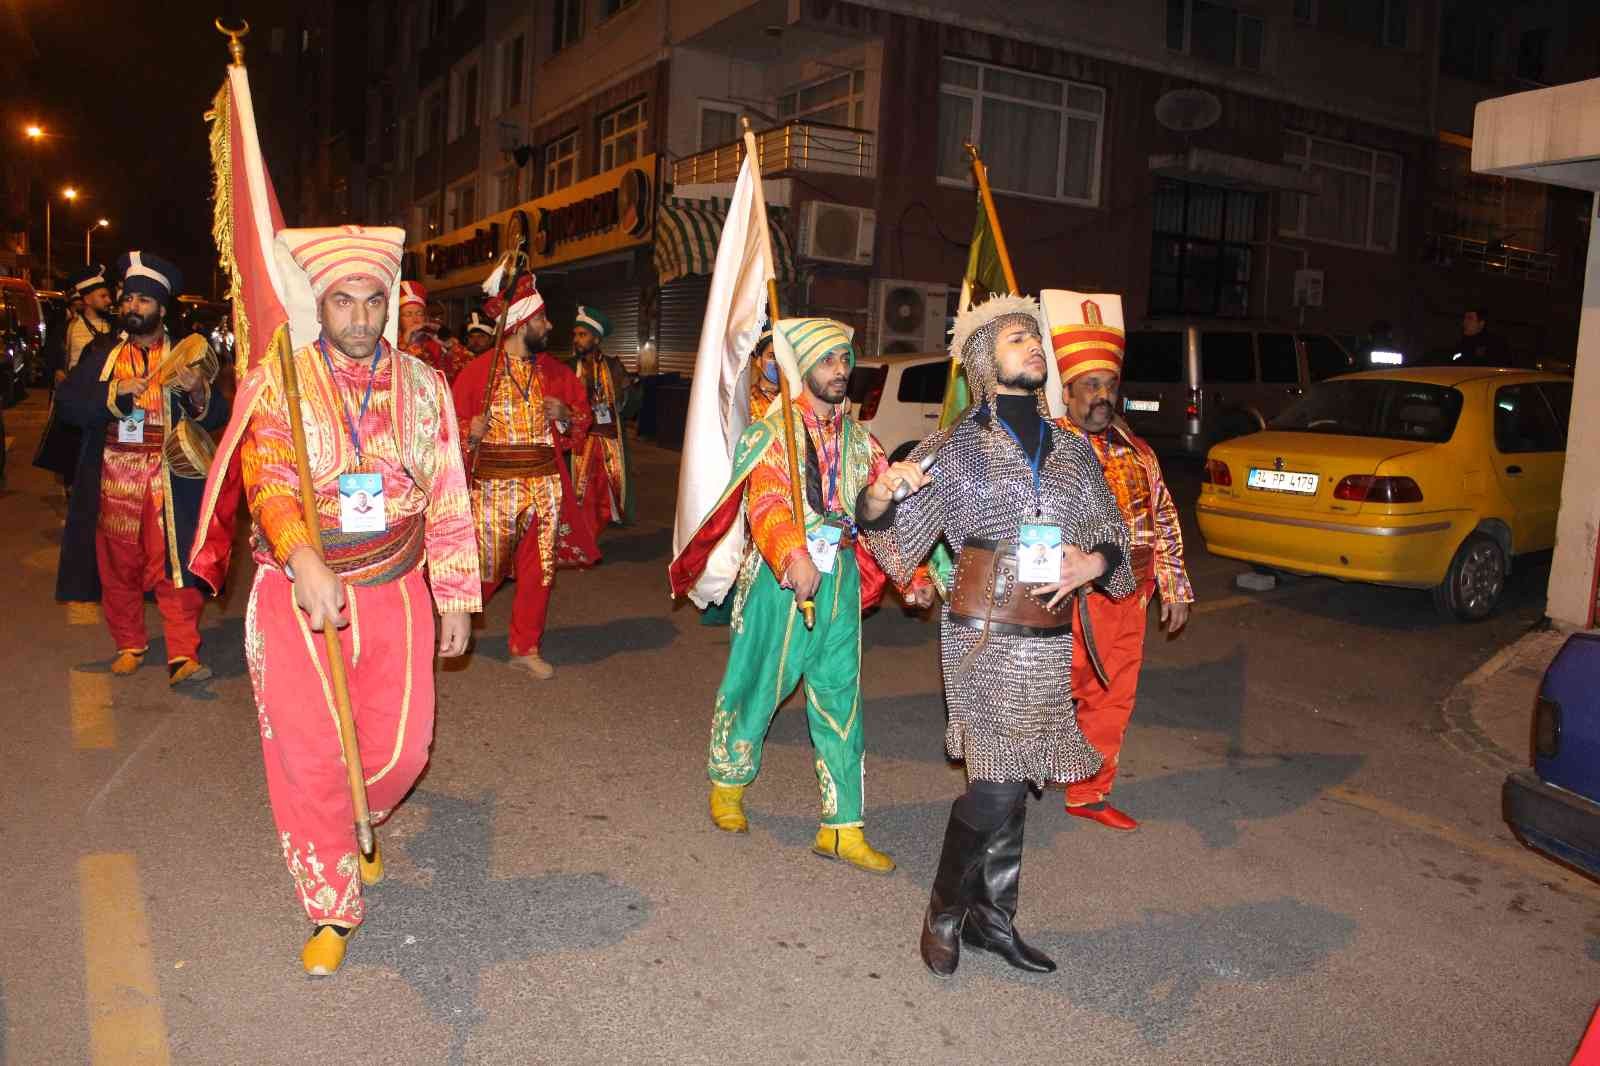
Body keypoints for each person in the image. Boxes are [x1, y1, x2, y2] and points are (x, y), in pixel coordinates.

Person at [187, 224, 480, 976]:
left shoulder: (424, 384)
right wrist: (302, 556)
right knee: (310, 758)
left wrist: (454, 595)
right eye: (342, 300)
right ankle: (329, 902)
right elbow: (271, 477)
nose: (358, 315)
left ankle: (362, 816)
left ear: (389, 304)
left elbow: (447, 488)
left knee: (404, 750)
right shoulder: (281, 379)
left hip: (396, 583)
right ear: (320, 304)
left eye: (372, 300)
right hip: (299, 591)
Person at [856, 293, 1134, 977]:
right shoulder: (953, 448)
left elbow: (1117, 543)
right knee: (995, 789)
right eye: (1015, 339)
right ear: (984, 360)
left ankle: (993, 919)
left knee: (1014, 781)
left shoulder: (1073, 449)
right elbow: (889, 535)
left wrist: (1092, 561)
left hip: (1046, 638)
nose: (1032, 346)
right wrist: (880, 495)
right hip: (981, 636)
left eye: (1034, 338)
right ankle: (945, 913)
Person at [675, 318, 929, 874]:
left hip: (837, 580)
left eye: (845, 359)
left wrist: (914, 575)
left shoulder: (865, 443)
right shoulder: (772, 434)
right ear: (804, 368)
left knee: (841, 702)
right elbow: (766, 501)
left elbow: (886, 517)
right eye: (828, 360)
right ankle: (728, 784)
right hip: (778, 582)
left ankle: (843, 827)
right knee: (757, 686)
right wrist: (791, 554)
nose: (840, 370)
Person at [1044, 290, 1192, 831]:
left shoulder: (1138, 450)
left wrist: (1174, 586)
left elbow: (1165, 519)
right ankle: (1020, 778)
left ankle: (1088, 792)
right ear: (1068, 391)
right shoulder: (1045, 446)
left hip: (1130, 597)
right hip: (1066, 596)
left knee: (1112, 698)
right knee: (1050, 689)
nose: (1102, 396)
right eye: (1090, 386)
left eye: (1109, 385)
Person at [54, 252, 229, 684]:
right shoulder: (101, 354)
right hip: (113, 475)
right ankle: (129, 642)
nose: (132, 306)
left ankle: (183, 653)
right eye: (128, 298)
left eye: (142, 301)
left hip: (169, 478)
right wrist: (115, 392)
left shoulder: (189, 353)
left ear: (161, 308)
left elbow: (218, 414)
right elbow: (69, 405)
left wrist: (198, 393)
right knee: (118, 566)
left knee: (175, 566)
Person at [452, 273, 597, 680]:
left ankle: (524, 646)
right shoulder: (476, 374)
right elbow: (444, 431)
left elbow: (581, 423)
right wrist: (469, 432)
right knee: (485, 569)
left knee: (540, 570)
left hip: (544, 487)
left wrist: (566, 417)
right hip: (493, 490)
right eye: (542, 320)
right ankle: (448, 623)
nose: (550, 326)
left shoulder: (558, 374)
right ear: (520, 325)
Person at [571, 304, 640, 530]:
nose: (577, 339)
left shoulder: (613, 365)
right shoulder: (570, 367)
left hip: (609, 434)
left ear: (596, 339)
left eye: (583, 335)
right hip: (581, 435)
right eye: (575, 335)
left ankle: (611, 513)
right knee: (583, 484)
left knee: (609, 480)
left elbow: (631, 404)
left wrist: (627, 393)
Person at [63, 263, 116, 379]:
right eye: (103, 296)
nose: (109, 300)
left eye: (108, 296)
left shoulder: (114, 327)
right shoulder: (69, 327)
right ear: (87, 299)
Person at [396, 280, 449, 378]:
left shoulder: (434, 343)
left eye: (419, 314)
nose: (415, 320)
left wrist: (447, 346)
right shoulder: (390, 344)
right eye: (408, 314)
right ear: (399, 319)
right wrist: (406, 342)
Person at [748, 329, 780, 420]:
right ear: (759, 361)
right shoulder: (748, 401)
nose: (778, 363)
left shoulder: (796, 399)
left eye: (782, 357)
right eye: (772, 356)